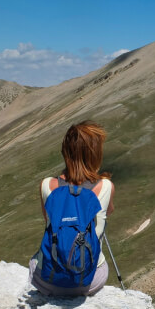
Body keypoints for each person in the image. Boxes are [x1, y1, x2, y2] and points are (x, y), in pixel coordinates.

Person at [29, 120, 115, 296]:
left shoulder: (47, 185)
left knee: (35, 259)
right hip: (88, 281)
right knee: (101, 263)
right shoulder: (106, 186)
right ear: (95, 154)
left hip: (47, 281)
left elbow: (49, 219)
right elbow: (110, 211)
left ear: (65, 152)